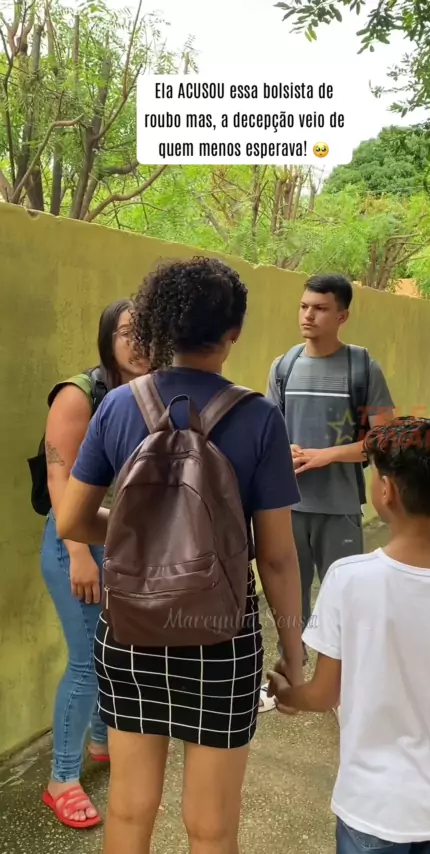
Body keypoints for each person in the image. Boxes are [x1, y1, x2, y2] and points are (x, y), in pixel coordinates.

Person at [56, 256, 305, 854]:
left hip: (131, 631)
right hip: (223, 637)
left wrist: (142, 536)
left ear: (160, 326)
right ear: (234, 331)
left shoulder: (118, 406)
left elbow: (73, 520)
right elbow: (276, 557)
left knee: (129, 810)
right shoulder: (260, 419)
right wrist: (294, 653)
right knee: (212, 825)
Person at [268, 417, 430, 854]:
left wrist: (288, 694)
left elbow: (324, 695)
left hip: (372, 805)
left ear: (387, 491)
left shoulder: (349, 578)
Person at [41, 299, 149, 829]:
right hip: (78, 542)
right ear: (108, 338)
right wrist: (80, 554)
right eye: (127, 332)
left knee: (117, 651)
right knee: (87, 661)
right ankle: (61, 779)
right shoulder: (78, 394)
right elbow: (58, 479)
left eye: (146, 331)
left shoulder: (149, 394)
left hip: (124, 541)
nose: (137, 342)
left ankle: (103, 741)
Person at [263, 273, 394, 706]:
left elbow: (385, 439)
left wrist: (327, 455)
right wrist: (284, 451)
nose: (308, 315)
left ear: (342, 316)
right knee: (289, 603)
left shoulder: (362, 368)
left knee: (345, 601)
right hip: (287, 508)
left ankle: (341, 689)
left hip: (339, 508)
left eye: (320, 308)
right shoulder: (284, 367)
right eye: (304, 306)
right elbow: (268, 433)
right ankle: (292, 680)